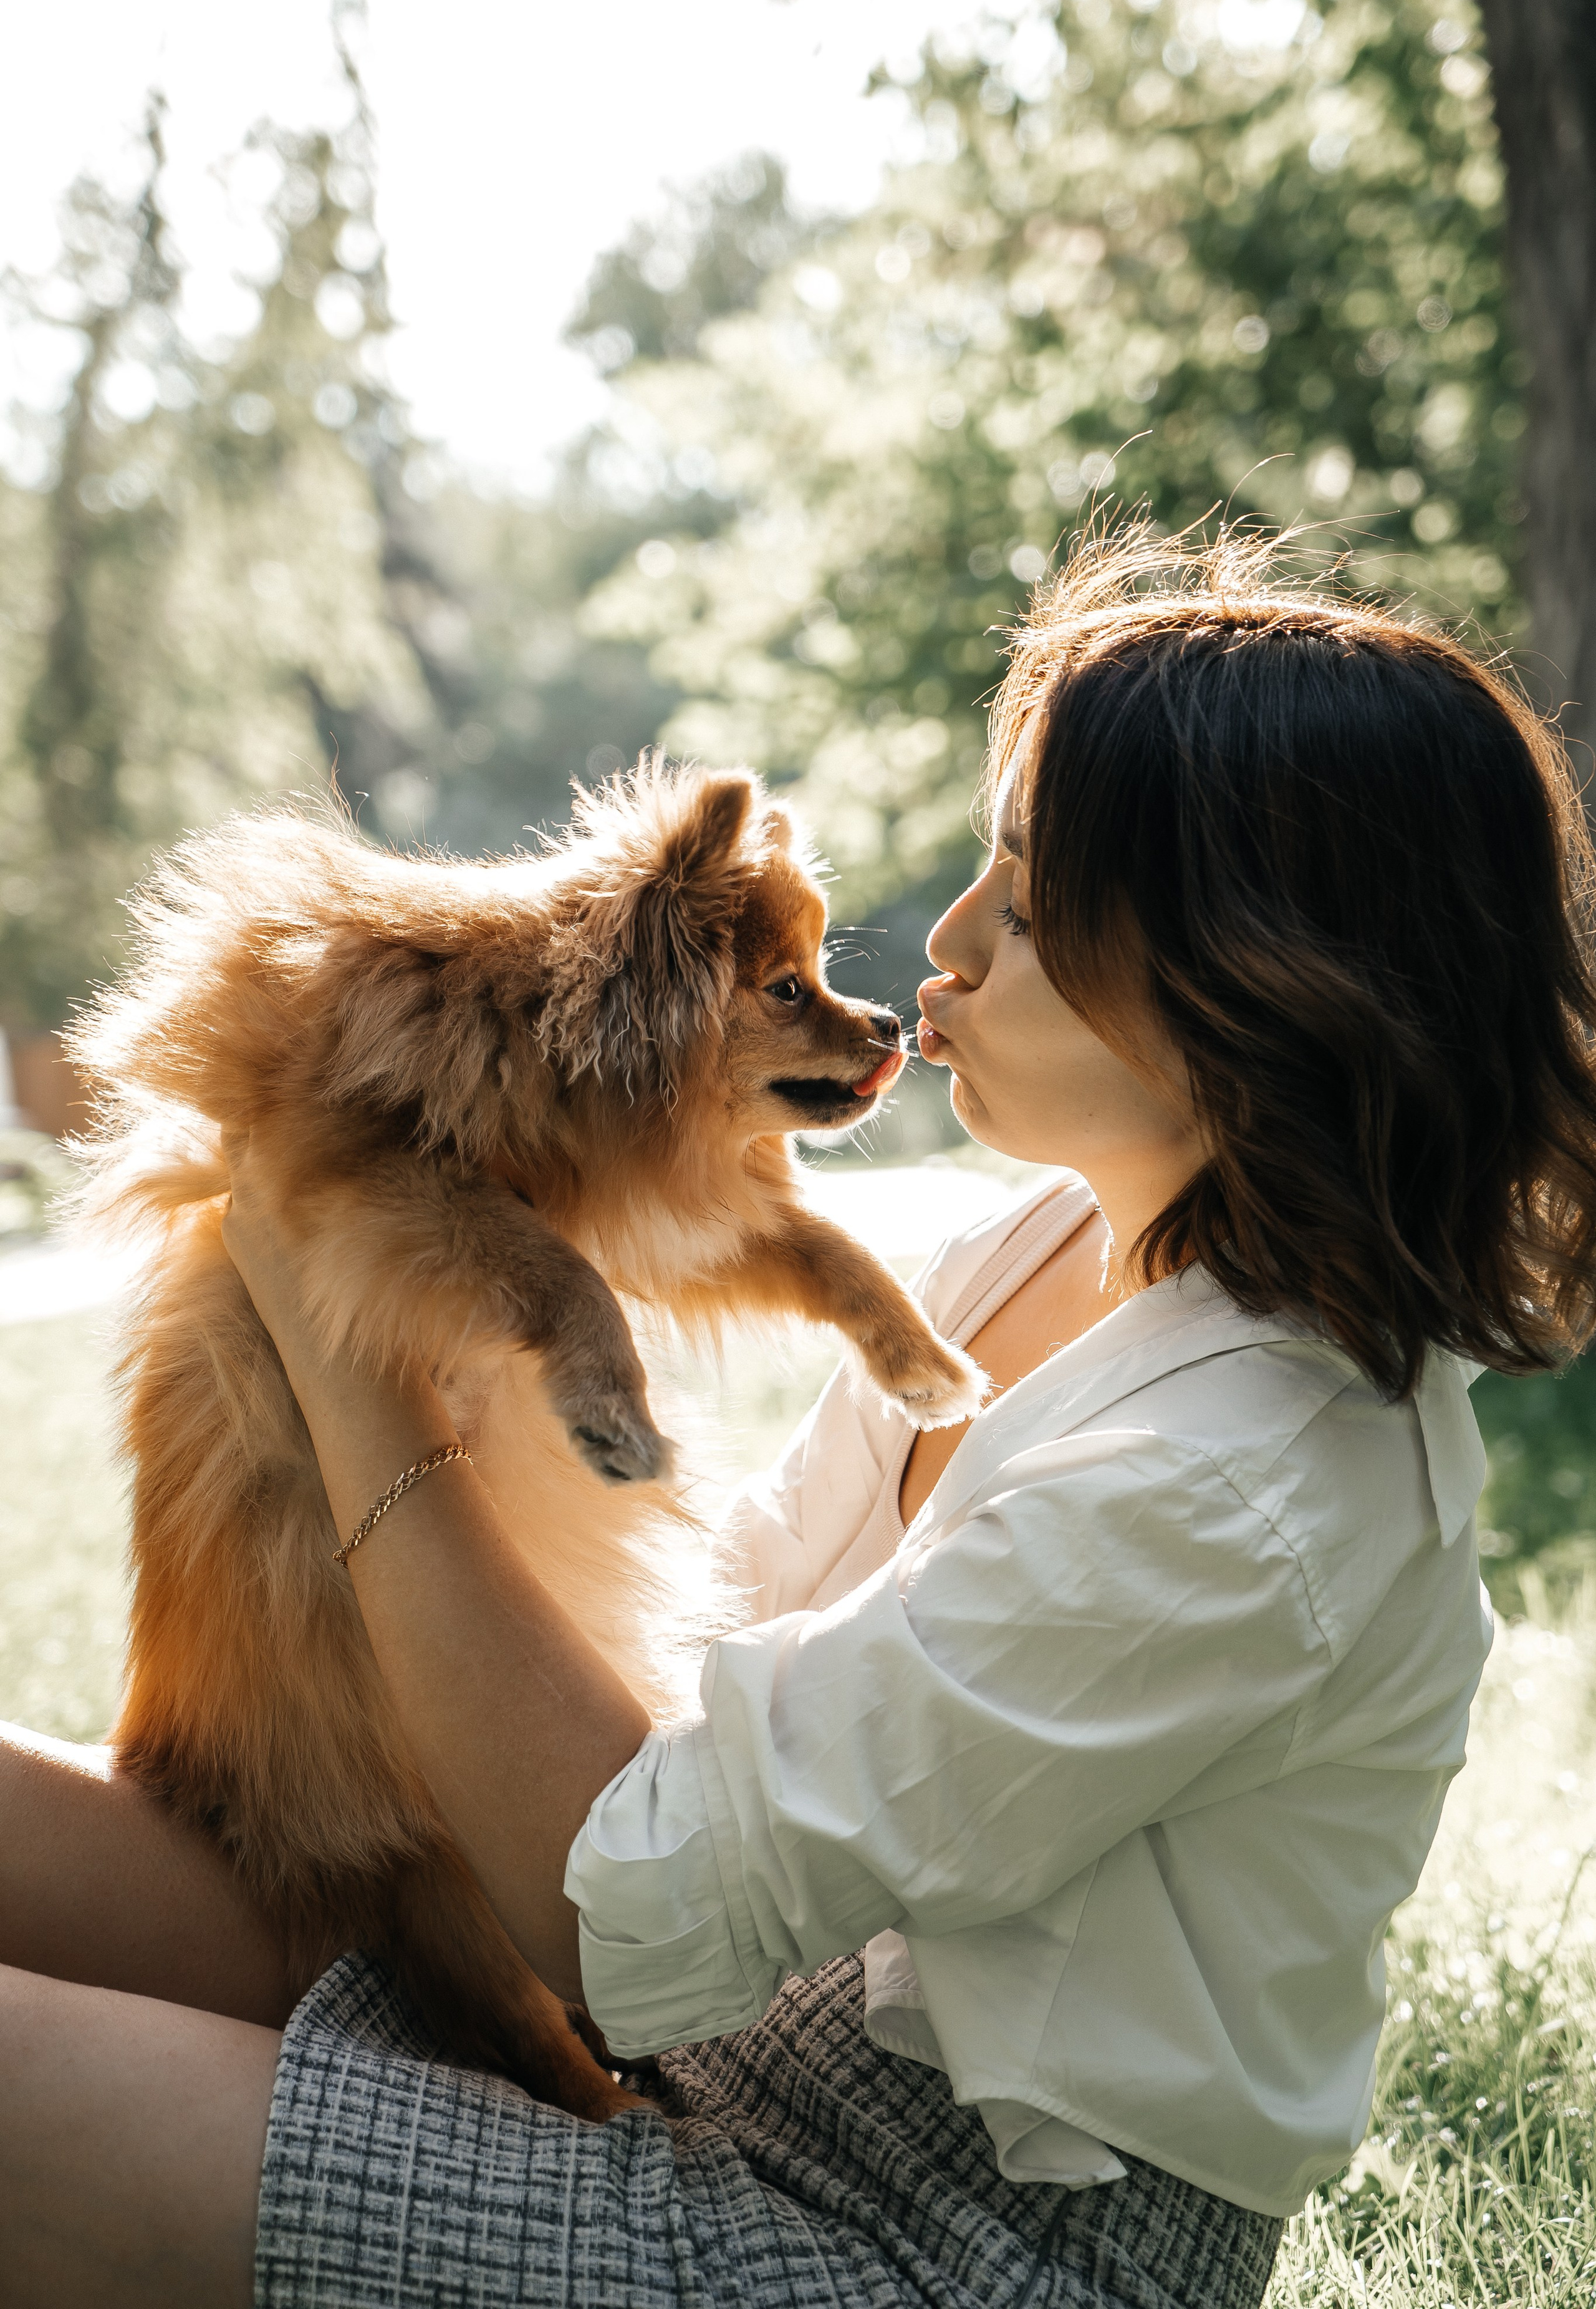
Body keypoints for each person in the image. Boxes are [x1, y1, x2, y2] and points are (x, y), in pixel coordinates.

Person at [3, 530, 1594, 2309]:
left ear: (1262, 972)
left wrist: (349, 1348)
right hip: (723, 2048)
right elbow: (727, 1634)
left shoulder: (1253, 1484)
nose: (959, 945)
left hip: (910, 2245)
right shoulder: (1042, 1249)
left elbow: (615, 1920)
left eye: (1035, 894)